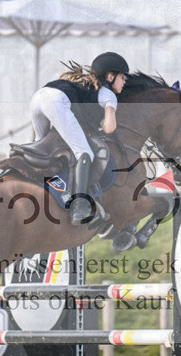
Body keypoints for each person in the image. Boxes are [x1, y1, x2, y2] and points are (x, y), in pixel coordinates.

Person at [29, 51, 129, 228]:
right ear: (110, 76)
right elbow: (109, 127)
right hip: (55, 102)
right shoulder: (108, 94)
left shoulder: (85, 86)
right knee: (85, 153)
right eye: (122, 77)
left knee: (42, 149)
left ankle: (30, 181)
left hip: (38, 98)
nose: (124, 81)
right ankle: (79, 206)